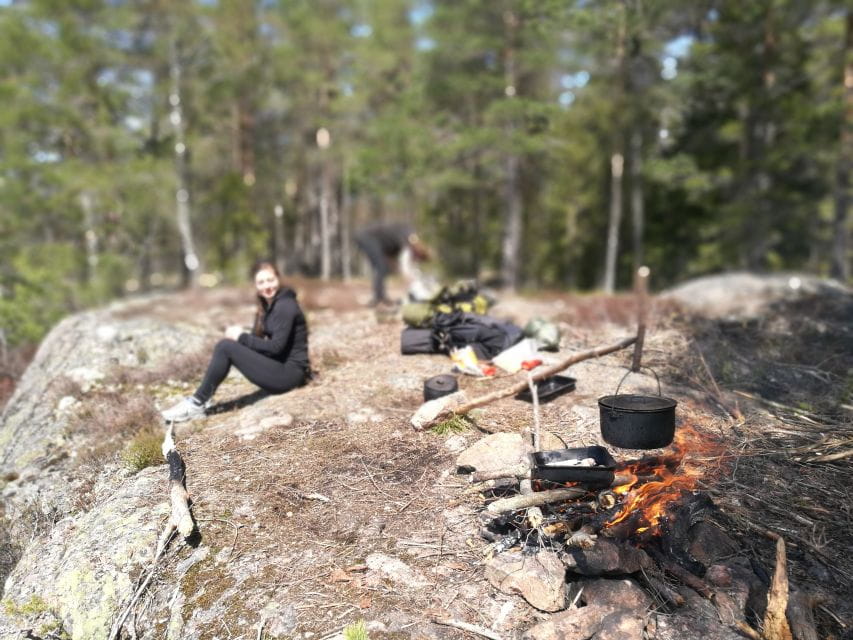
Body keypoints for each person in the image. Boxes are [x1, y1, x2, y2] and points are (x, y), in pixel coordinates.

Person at [160, 261, 310, 422]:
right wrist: (241, 339)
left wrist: (240, 337)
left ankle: (197, 403)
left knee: (225, 347)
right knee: (228, 345)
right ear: (255, 284)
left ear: (278, 279)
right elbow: (256, 342)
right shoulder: (266, 305)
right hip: (279, 367)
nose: (267, 286)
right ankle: (201, 399)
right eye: (261, 282)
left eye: (270, 280)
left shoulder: (285, 306)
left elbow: (275, 348)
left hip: (289, 375)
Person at [355, 222, 430, 307]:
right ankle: (379, 298)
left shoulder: (406, 240)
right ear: (417, 252)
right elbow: (403, 265)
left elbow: (394, 261)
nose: (415, 260)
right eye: (417, 258)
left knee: (383, 267)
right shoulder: (408, 238)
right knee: (381, 267)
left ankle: (381, 297)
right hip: (366, 237)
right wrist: (409, 279)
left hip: (376, 241)